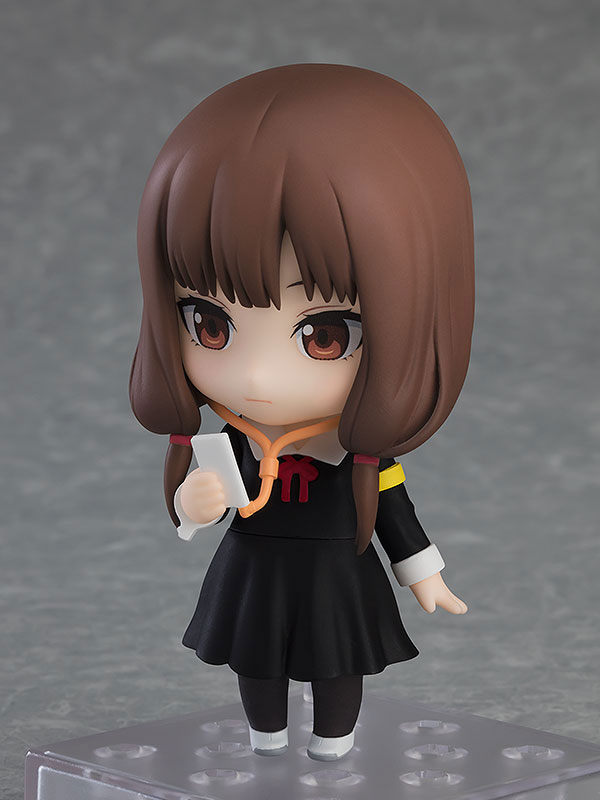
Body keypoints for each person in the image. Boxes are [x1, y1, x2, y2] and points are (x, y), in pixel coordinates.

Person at [129, 63, 475, 761]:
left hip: (334, 572)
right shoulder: (236, 437)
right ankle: (265, 737)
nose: (257, 377)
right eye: (210, 325)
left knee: (336, 661)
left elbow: (396, 514)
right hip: (253, 566)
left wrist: (423, 573)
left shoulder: (357, 450)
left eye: (324, 336)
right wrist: (195, 502)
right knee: (254, 658)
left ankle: (333, 744)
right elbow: (203, 503)